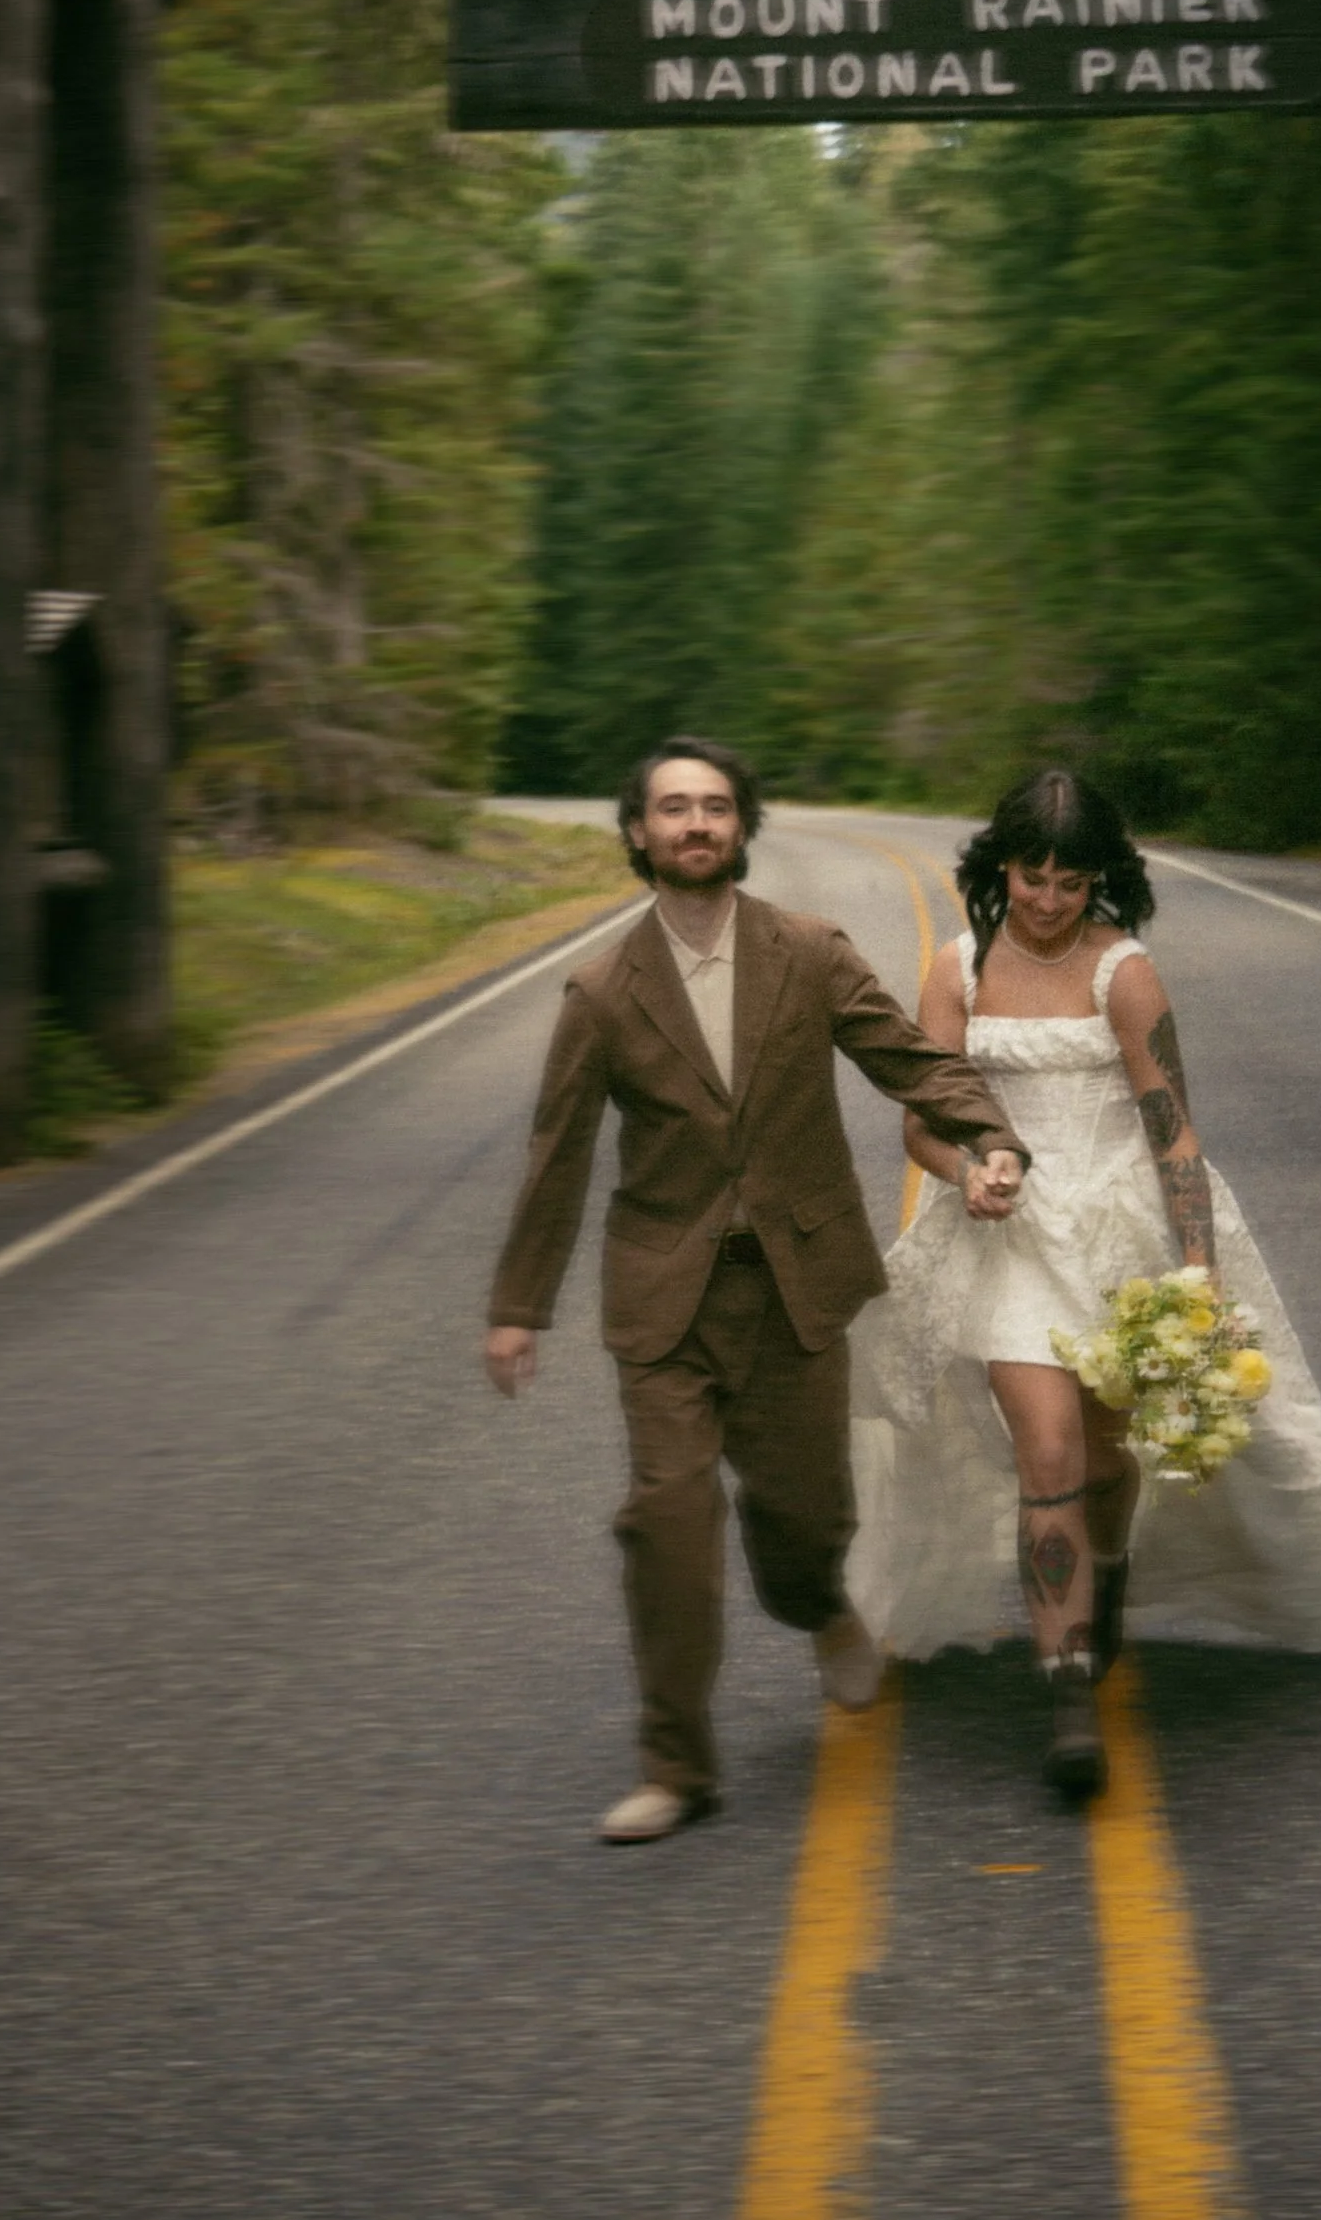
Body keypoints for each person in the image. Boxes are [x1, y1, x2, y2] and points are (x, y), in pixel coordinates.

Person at [482, 737, 1033, 1844]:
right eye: (674, 808)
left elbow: (909, 1062)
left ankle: (821, 1607)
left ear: (742, 827)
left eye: (716, 806)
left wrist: (988, 1135)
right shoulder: (600, 991)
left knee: (801, 1522)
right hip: (664, 1298)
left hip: (794, 1289)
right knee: (668, 1522)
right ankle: (675, 1766)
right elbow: (557, 1153)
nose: (696, 823)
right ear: (638, 831)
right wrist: (517, 1305)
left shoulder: (809, 951)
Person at [848, 768, 1321, 1802]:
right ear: (1000, 866)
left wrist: (1195, 1269)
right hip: (1009, 1237)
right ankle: (1065, 1689)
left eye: (1070, 880)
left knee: (1108, 1460)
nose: (1049, 899)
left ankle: (1102, 1580)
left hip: (1119, 1236)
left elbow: (1172, 1126)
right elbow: (921, 1117)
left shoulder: (1126, 974)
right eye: (1031, 875)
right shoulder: (956, 969)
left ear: (1099, 878)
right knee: (1048, 1450)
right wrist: (971, 1168)